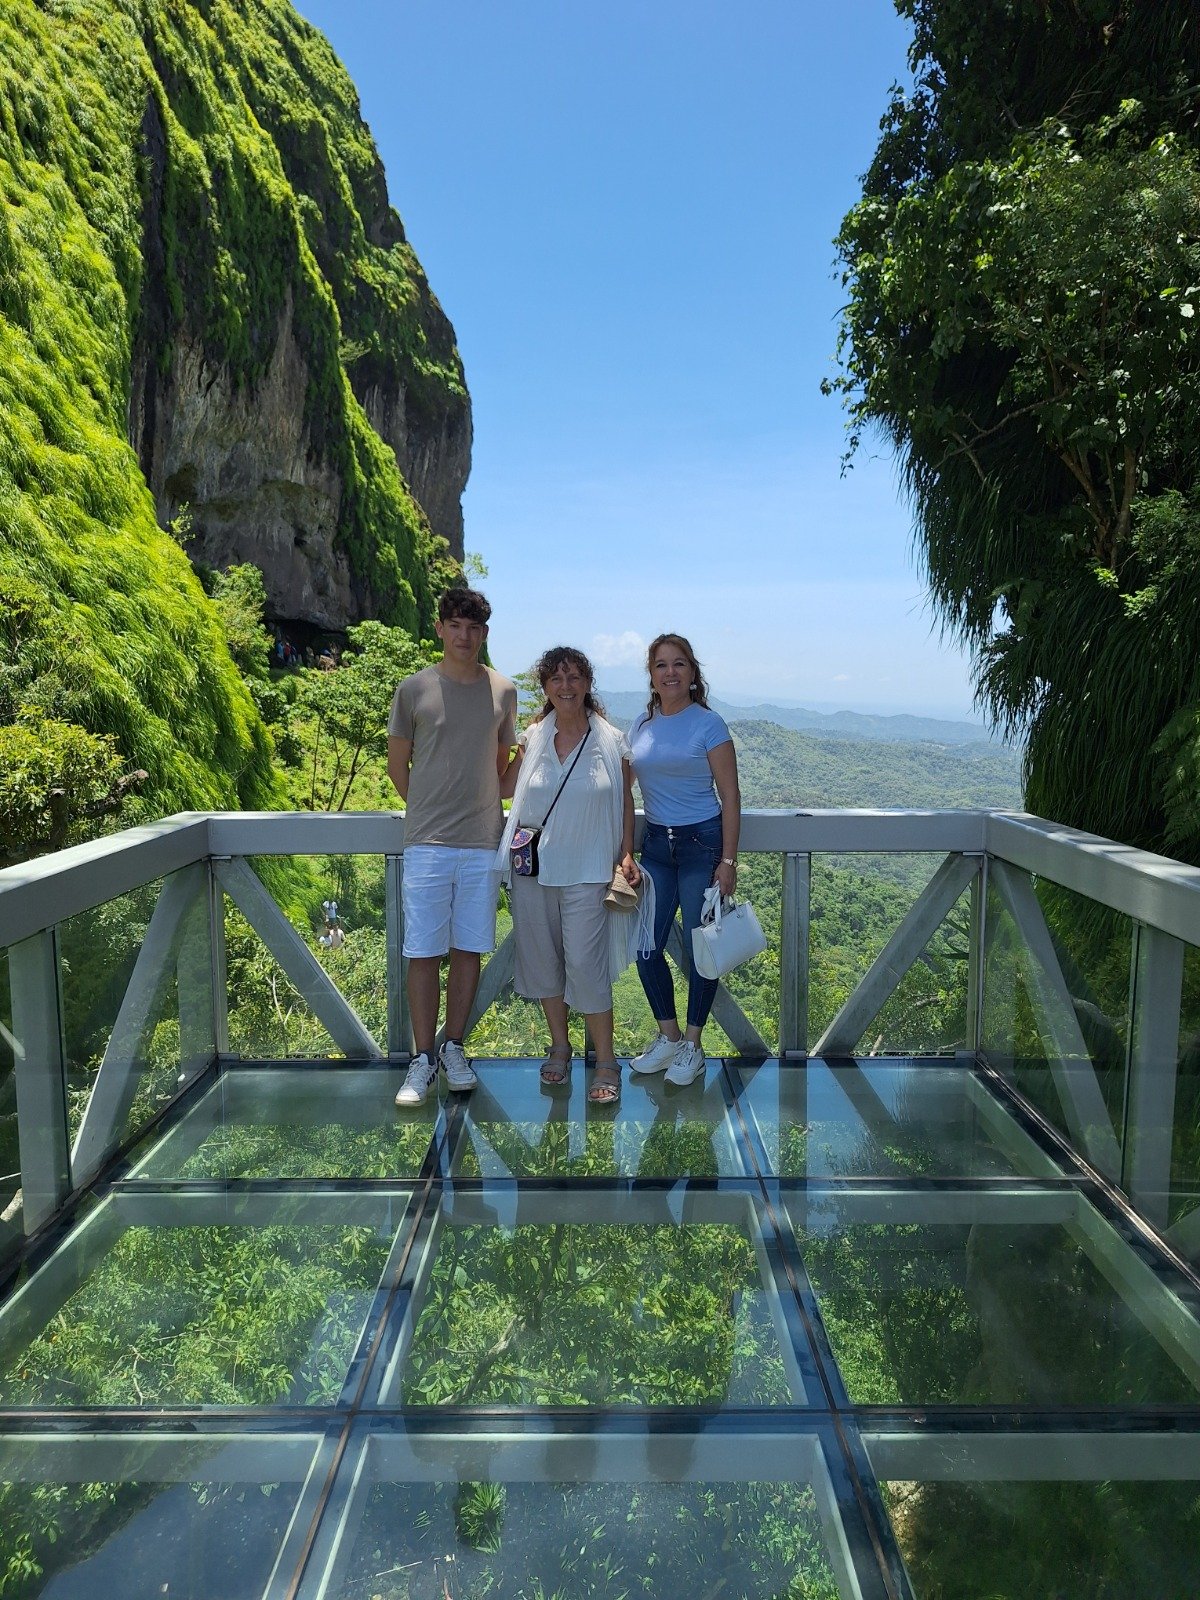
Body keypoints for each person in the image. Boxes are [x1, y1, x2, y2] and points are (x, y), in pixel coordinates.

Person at [496, 647, 652, 1105]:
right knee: (545, 963)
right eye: (556, 679)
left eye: (574, 677)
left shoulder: (611, 740)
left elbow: (625, 800)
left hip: (589, 871)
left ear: (587, 683)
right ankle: (560, 1047)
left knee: (586, 967)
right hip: (535, 872)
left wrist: (626, 852)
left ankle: (605, 1059)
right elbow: (504, 786)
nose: (565, 686)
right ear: (544, 687)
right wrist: (493, 736)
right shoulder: (531, 739)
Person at [388, 587, 518, 1106]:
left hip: (483, 842)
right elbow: (399, 766)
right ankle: (422, 1059)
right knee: (422, 951)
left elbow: (502, 771)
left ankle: (454, 1048)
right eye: (455, 625)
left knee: (470, 950)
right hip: (426, 843)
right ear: (440, 628)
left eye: (475, 627)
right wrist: (426, 808)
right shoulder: (414, 690)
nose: (465, 636)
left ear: (485, 633)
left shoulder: (504, 691)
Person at [627, 632, 741, 1086]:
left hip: (701, 845)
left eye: (679, 664)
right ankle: (669, 1037)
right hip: (655, 845)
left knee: (702, 952)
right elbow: (621, 787)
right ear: (651, 675)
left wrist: (728, 861)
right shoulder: (641, 724)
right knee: (646, 946)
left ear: (693, 673)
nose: (670, 672)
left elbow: (730, 796)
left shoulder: (708, 724)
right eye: (661, 665)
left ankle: (693, 1046)